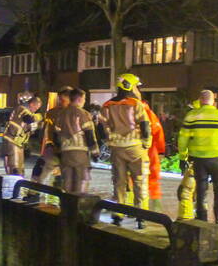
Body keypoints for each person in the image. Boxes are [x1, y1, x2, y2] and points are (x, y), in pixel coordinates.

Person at [177, 89, 218, 225]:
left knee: (201, 191)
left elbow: (182, 139)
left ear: (201, 100)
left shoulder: (191, 116)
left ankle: (202, 222)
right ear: (213, 101)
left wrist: (182, 157)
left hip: (198, 160)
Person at [101, 74, 152, 211]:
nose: (137, 89)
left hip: (116, 149)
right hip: (135, 147)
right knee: (139, 181)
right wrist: (146, 143)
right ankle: (140, 214)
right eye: (136, 86)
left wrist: (110, 139)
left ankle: (119, 213)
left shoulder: (107, 105)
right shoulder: (136, 104)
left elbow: (103, 128)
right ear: (129, 86)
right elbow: (145, 126)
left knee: (119, 182)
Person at [26, 87, 73, 201]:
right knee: (39, 168)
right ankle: (34, 194)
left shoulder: (77, 114)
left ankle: (67, 202)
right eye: (59, 100)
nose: (61, 102)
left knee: (67, 179)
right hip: (53, 149)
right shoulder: (52, 112)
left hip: (69, 151)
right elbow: (46, 129)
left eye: (63, 100)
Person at [53, 87, 100, 193]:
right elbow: (89, 135)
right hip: (80, 154)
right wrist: (95, 153)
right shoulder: (83, 114)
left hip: (65, 154)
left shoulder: (61, 114)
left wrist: (59, 152)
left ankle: (66, 206)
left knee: (67, 182)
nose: (84, 101)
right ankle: (78, 206)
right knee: (82, 181)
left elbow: (55, 136)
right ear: (79, 99)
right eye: (84, 99)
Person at [2, 95, 42, 176]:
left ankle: (19, 184)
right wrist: (40, 116)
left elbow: (29, 127)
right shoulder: (22, 109)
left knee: (20, 167)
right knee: (14, 165)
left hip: (18, 143)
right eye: (36, 107)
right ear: (31, 104)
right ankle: (12, 185)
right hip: (12, 141)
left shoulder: (26, 112)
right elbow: (29, 119)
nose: (36, 109)